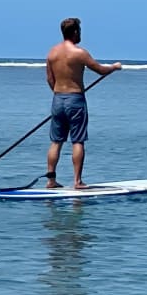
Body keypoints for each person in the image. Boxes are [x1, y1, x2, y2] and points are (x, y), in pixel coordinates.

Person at [45, 17, 121, 188]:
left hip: (57, 99)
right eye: (79, 30)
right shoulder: (80, 53)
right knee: (78, 141)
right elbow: (100, 70)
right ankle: (77, 181)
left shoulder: (52, 53)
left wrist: (60, 95)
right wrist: (114, 67)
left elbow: (50, 79)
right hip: (75, 100)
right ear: (75, 32)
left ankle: (50, 180)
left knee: (56, 141)